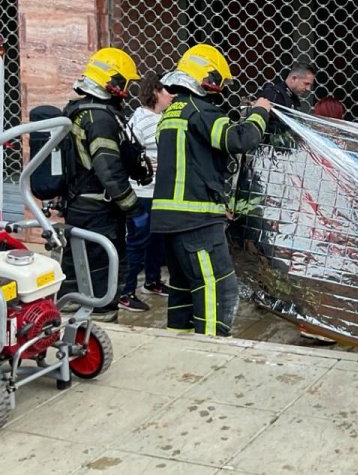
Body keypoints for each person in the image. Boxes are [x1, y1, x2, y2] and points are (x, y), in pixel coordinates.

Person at [151, 44, 271, 337]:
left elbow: (194, 164)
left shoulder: (170, 113)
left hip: (171, 220)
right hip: (196, 220)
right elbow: (239, 140)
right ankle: (209, 351)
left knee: (184, 287)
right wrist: (260, 112)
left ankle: (176, 345)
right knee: (218, 288)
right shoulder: (200, 111)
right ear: (207, 78)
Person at [59, 47, 143, 323]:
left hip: (78, 204)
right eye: (127, 83)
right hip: (98, 210)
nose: (128, 90)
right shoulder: (100, 119)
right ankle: (103, 321)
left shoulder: (77, 111)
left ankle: (70, 310)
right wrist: (131, 204)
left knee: (76, 265)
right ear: (114, 82)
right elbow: (108, 168)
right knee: (105, 267)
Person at [117, 74, 173, 312]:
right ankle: (126, 292)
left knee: (157, 240)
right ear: (156, 92)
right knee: (137, 242)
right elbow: (126, 153)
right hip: (142, 192)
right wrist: (146, 162)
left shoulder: (161, 118)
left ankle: (153, 282)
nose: (173, 95)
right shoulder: (140, 119)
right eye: (168, 91)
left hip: (157, 192)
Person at [257, 62, 316, 142]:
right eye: (306, 84)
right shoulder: (274, 94)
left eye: (310, 85)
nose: (308, 89)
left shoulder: (292, 98)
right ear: (294, 78)